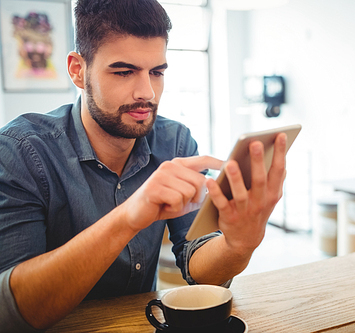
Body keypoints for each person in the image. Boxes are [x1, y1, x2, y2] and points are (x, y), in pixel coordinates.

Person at [0, 0, 288, 331]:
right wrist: (127, 217)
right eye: (123, 72)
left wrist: (238, 244)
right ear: (78, 70)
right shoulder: (19, 151)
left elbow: (198, 265)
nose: (147, 92)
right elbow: (11, 312)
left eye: (157, 72)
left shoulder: (175, 142)